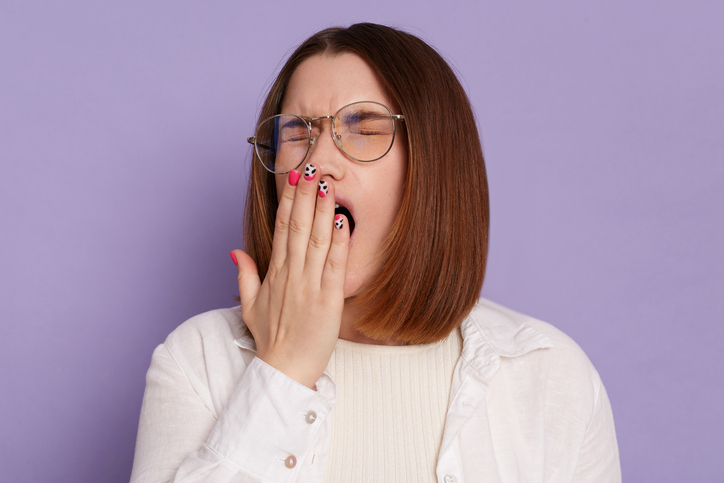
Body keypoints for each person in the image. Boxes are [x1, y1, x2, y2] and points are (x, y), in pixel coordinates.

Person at [130, 23, 621, 483]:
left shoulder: (551, 378)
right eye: (298, 132)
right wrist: (284, 370)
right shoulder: (197, 361)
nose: (317, 161)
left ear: (434, 166)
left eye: (364, 127)